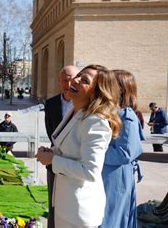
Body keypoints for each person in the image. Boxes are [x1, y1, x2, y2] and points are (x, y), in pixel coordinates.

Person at [36, 64, 122, 227]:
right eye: (78, 76)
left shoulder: (95, 121)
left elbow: (90, 171)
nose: (75, 81)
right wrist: (52, 151)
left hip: (79, 212)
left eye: (84, 80)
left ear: (96, 92)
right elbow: (69, 147)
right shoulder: (76, 111)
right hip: (66, 205)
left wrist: (53, 160)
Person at [101, 69, 144, 228]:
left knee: (113, 219)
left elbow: (124, 153)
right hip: (108, 175)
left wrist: (92, 151)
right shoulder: (113, 113)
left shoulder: (127, 116)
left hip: (116, 178)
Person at [43, 65, 78, 228]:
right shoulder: (50, 104)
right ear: (59, 82)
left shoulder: (84, 105)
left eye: (72, 79)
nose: (68, 83)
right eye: (65, 79)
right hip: (54, 162)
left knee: (72, 207)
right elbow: (51, 132)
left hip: (76, 164)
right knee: (54, 204)